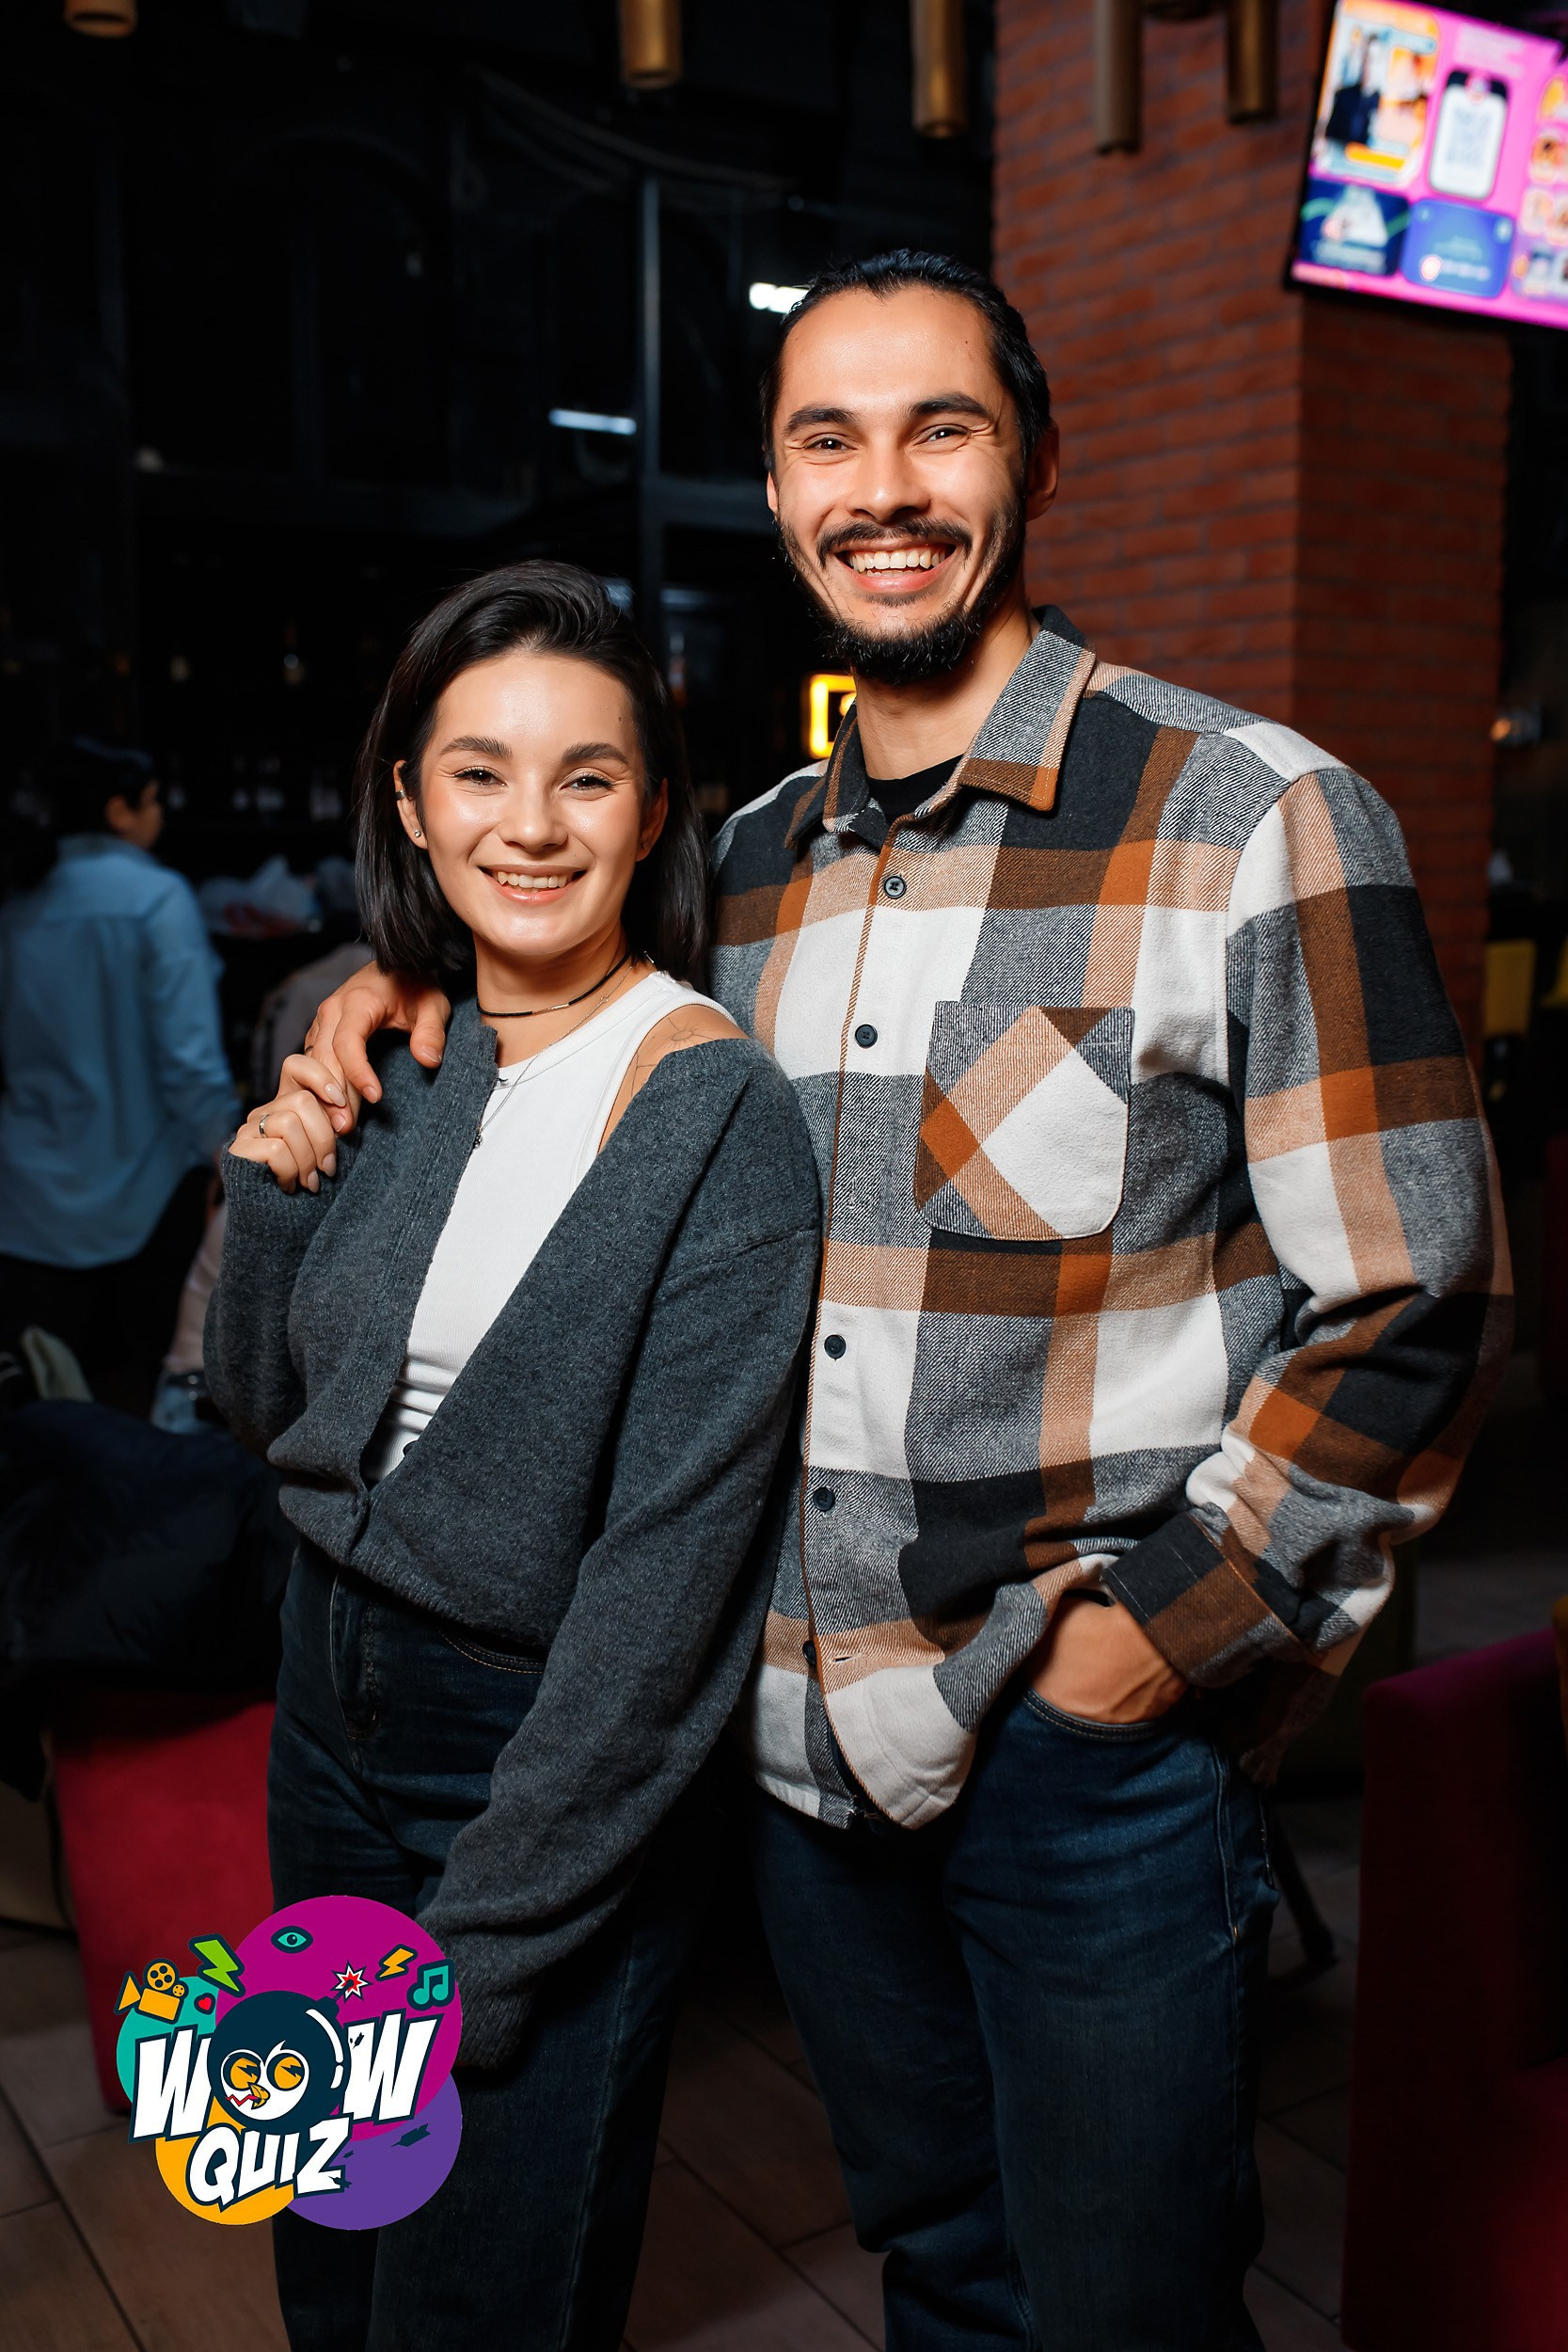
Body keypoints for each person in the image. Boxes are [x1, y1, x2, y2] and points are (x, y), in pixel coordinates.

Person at [290, 256, 1510, 2350]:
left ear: (1030, 457)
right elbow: (547, 979)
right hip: (793, 1747)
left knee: (1126, 2310)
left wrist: (1146, 1652)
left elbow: (1416, 1290)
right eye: (824, 441)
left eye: (938, 428)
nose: (882, 488)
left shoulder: (1251, 816)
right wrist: (388, 989)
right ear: (775, 494)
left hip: (1079, 1749)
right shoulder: (740, 866)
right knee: (941, 2270)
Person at [205, 562, 819, 2352]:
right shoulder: (403, 1048)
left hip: (531, 1752)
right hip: (322, 1698)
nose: (529, 826)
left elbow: (668, 1593)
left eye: (585, 776)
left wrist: (478, 1959)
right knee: (331, 2248)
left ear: (654, 811)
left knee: (477, 2290)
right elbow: (266, 1419)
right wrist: (270, 1193)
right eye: (478, 772)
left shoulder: (715, 1114)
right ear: (410, 799)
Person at [0, 739, 239, 1415]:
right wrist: (225, 1149)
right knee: (139, 1410)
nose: (160, 814)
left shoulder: (18, 898)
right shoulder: (155, 898)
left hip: (26, 1192)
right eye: (153, 801)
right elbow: (188, 1058)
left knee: (40, 1412)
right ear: (118, 811)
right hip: (143, 1190)